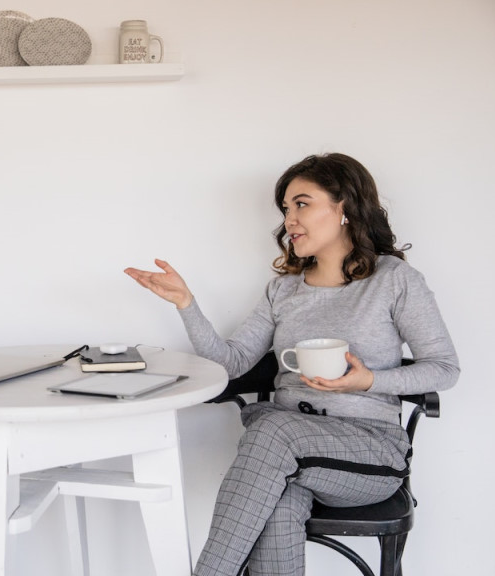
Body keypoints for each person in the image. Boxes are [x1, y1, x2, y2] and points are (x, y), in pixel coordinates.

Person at [124, 153, 459, 576]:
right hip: (286, 456)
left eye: (302, 203)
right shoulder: (283, 291)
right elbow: (232, 363)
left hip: (369, 450)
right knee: (278, 505)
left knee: (272, 429)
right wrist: (186, 305)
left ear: (344, 208)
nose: (290, 220)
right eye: (285, 209)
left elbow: (444, 368)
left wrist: (368, 380)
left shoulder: (394, 280)